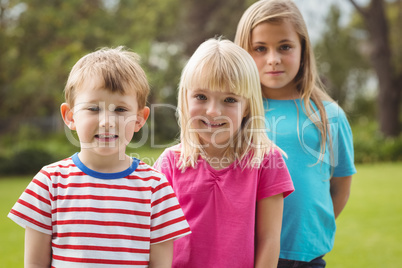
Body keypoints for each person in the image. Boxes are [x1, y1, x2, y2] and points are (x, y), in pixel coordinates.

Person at [8, 47, 191, 268]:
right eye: (93, 108)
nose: (107, 121)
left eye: (121, 110)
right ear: (70, 116)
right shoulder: (49, 183)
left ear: (139, 119)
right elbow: (35, 264)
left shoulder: (155, 188)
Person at [234, 0, 357, 267]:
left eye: (285, 47)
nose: (273, 59)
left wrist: (307, 234)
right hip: (246, 251)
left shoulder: (329, 116)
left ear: (303, 49)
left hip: (306, 256)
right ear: (243, 52)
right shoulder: (235, 113)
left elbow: (340, 188)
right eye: (260, 49)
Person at [153, 37, 294, 268]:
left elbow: (269, 239)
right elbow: (156, 238)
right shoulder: (169, 163)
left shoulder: (266, 161)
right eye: (201, 97)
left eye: (229, 99)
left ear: (247, 106)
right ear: (186, 99)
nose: (213, 110)